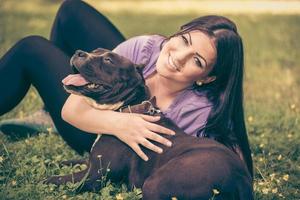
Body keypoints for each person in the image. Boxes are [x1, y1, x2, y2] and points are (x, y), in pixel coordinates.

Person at [0, 0, 253, 178]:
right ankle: (48, 113)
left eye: (196, 61)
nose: (178, 56)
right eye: (184, 40)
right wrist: (121, 123)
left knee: (31, 48)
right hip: (105, 117)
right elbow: (74, 106)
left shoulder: (198, 110)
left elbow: (71, 113)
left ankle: (53, 116)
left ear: (207, 78)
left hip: (103, 144)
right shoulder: (147, 48)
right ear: (180, 31)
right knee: (71, 10)